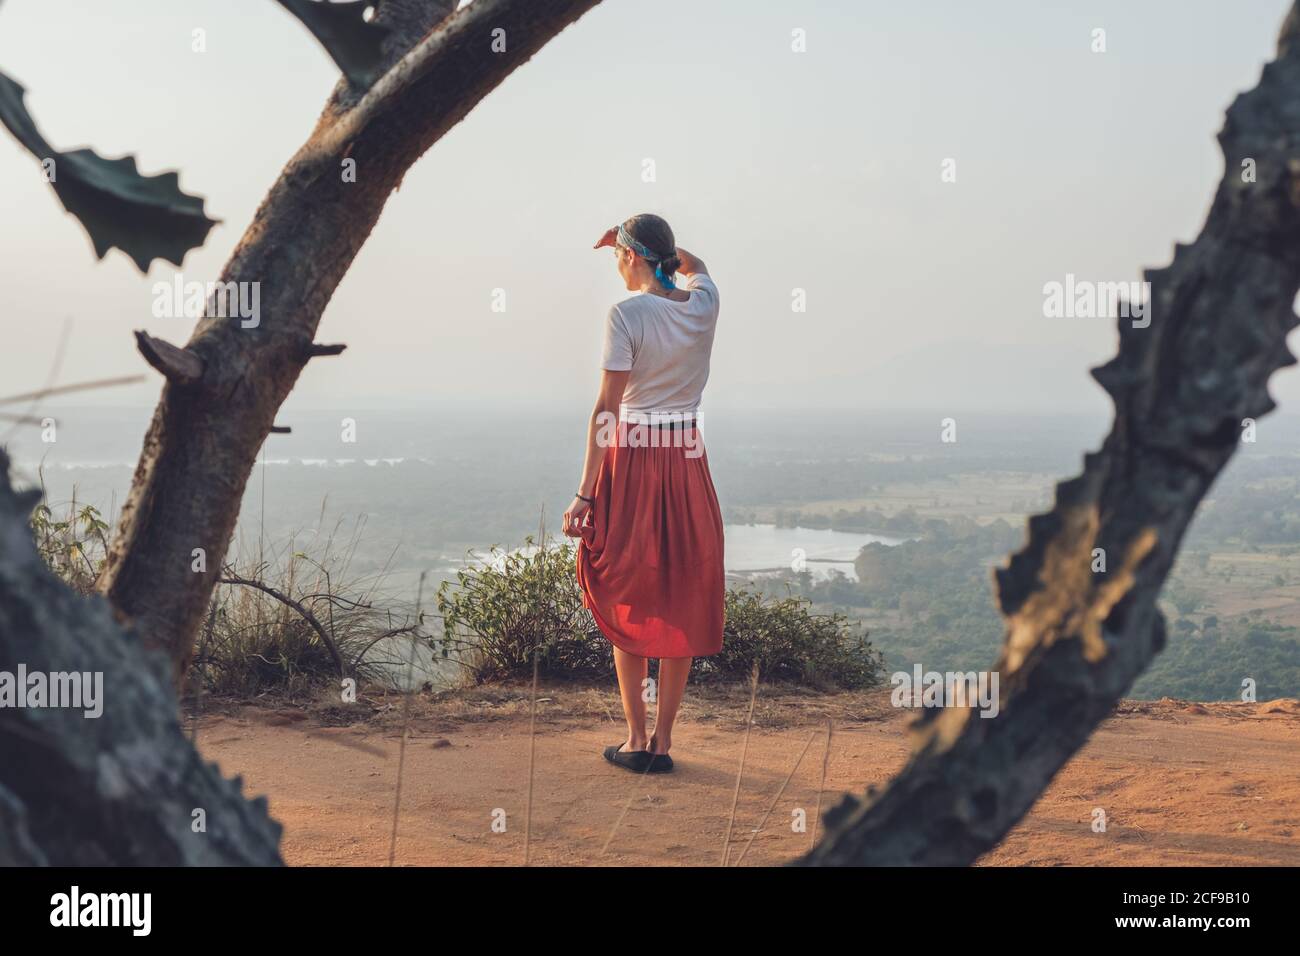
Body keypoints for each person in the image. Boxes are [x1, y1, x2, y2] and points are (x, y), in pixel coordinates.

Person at [562, 213, 725, 775]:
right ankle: (663, 741)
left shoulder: (626, 314)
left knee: (628, 586)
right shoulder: (703, 303)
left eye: (617, 253)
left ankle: (635, 738)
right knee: (679, 589)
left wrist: (586, 495)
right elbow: (696, 267)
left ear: (631, 257)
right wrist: (665, 253)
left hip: (632, 457)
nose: (614, 262)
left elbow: (606, 410)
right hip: (687, 457)